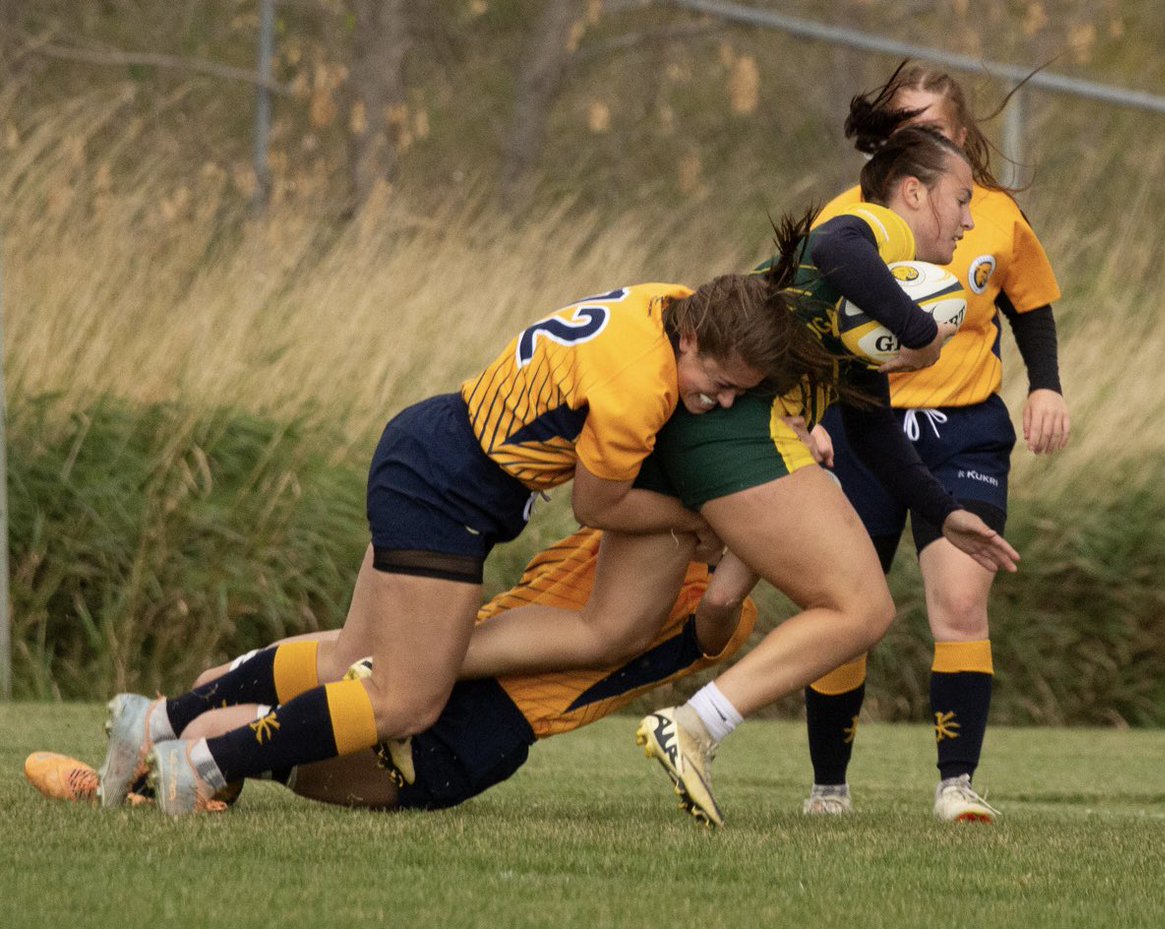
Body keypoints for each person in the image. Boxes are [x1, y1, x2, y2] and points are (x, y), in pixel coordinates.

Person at [94, 246, 815, 816]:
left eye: (737, 395)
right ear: (691, 337)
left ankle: (155, 719)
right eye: (718, 383)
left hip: (430, 443)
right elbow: (599, 507)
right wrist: (700, 513)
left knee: (358, 656)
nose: (720, 401)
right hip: (449, 488)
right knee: (406, 699)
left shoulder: (666, 299)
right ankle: (205, 764)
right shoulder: (640, 390)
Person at [635, 115, 1022, 827]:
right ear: (912, 193)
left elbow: (874, 429)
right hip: (733, 431)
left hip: (717, 433)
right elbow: (834, 242)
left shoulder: (871, 295)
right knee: (862, 607)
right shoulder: (877, 231)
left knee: (612, 630)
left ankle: (414, 692)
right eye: (962, 197)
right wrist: (919, 332)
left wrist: (944, 510)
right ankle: (691, 724)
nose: (970, 219)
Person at [27, 528, 756, 812]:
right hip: (441, 650)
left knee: (236, 724)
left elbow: (722, 601)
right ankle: (179, 769)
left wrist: (760, 533)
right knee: (227, 677)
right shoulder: (629, 526)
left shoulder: (719, 606)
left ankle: (147, 782)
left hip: (475, 728)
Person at [800, 61, 1070, 823]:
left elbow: (1030, 305)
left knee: (959, 599)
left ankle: (957, 785)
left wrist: (1045, 383)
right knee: (847, 603)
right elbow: (811, 317)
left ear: (961, 135)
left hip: (963, 429)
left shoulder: (994, 214)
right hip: (861, 426)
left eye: (932, 128)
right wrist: (809, 413)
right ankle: (829, 788)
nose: (916, 140)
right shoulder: (850, 217)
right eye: (902, 128)